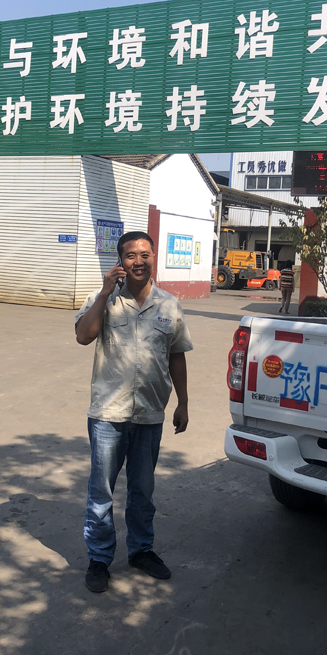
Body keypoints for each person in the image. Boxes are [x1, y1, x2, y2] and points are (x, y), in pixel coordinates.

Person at [75, 230, 193, 594]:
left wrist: (183, 402)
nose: (138, 261)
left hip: (150, 413)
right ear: (120, 261)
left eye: (145, 254)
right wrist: (105, 292)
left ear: (153, 257)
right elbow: (83, 335)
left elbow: (176, 354)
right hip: (108, 415)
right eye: (130, 255)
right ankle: (99, 559)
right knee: (102, 492)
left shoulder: (170, 305)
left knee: (143, 490)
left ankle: (141, 551)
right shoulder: (104, 299)